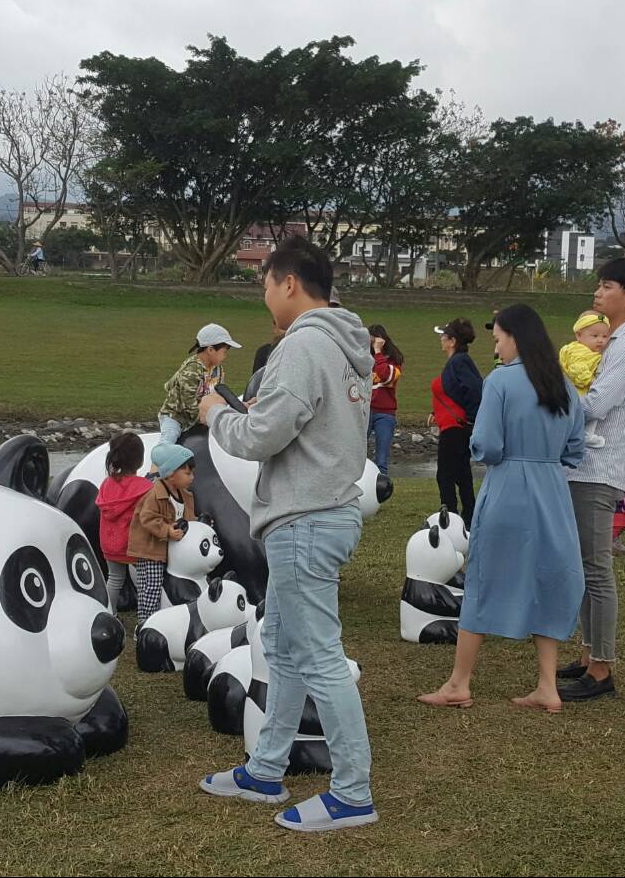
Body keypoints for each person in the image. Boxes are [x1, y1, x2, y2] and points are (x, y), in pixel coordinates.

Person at [196, 236, 378, 833]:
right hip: (327, 509)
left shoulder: (302, 346)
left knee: (319, 655)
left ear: (290, 283)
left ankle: (352, 792)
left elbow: (257, 439)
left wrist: (215, 415)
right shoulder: (346, 343)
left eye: (266, 284)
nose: (265, 297)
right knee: (284, 645)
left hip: (304, 518)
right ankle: (266, 767)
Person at [418, 304, 586, 716]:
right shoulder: (563, 384)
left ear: (515, 337)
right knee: (547, 578)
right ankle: (548, 685)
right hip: (552, 490)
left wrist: (490, 451)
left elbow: (488, 444)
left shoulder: (501, 382)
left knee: (484, 578)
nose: (496, 346)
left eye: (498, 339)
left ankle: (459, 682)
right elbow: (576, 449)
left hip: (509, 485)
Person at [557, 258, 625, 702]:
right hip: (584, 466)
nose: (597, 293)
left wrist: (548, 392)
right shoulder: (609, 341)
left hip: (599, 469)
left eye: (607, 286)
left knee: (596, 567)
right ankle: (589, 653)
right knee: (582, 565)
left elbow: (596, 403)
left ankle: (602, 669)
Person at [126, 443, 198, 627]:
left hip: (171, 550)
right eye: (187, 473)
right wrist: (167, 530)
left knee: (167, 585)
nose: (192, 477)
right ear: (171, 474)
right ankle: (145, 626)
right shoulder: (154, 495)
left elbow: (188, 518)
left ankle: (166, 623)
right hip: (152, 551)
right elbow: (148, 518)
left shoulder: (185, 495)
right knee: (151, 587)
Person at [430, 318, 483, 525]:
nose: (441, 339)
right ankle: (468, 515)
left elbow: (473, 390)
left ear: (452, 341)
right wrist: (436, 411)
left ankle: (449, 515)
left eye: (444, 336)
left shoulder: (459, 361)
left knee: (445, 473)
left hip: (456, 428)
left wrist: (469, 418)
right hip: (452, 425)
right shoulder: (456, 361)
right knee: (461, 473)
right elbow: (452, 392)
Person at [96, 432, 152, 613]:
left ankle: (109, 614)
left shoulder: (106, 484)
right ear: (140, 460)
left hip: (110, 543)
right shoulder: (144, 487)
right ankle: (147, 614)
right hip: (134, 544)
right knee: (145, 580)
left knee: (114, 579)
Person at [157, 323, 239, 446]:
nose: (225, 356)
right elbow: (188, 403)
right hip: (176, 417)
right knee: (167, 442)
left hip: (200, 417)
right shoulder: (192, 370)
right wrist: (207, 417)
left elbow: (220, 395)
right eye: (224, 352)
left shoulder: (218, 370)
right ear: (211, 350)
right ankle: (158, 463)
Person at [558, 311, 611, 449]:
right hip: (578, 391)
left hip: (569, 391)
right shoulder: (581, 352)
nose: (600, 340)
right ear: (579, 335)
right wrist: (592, 381)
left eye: (605, 336)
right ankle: (585, 435)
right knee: (592, 411)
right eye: (594, 336)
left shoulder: (581, 350)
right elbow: (577, 369)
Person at [367, 324, 404, 476]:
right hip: (366, 410)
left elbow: (386, 376)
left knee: (381, 458)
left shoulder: (393, 361)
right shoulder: (365, 358)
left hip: (385, 413)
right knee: (356, 453)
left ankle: (381, 486)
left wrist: (377, 352)